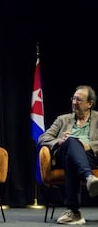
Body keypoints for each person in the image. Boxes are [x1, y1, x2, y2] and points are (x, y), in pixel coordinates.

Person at [38, 85, 98, 225]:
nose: (74, 102)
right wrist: (60, 140)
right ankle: (88, 176)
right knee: (71, 142)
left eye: (79, 100)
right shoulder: (63, 120)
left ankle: (74, 211)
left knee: (72, 160)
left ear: (90, 104)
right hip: (62, 155)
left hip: (88, 156)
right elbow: (43, 138)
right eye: (73, 98)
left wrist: (90, 145)